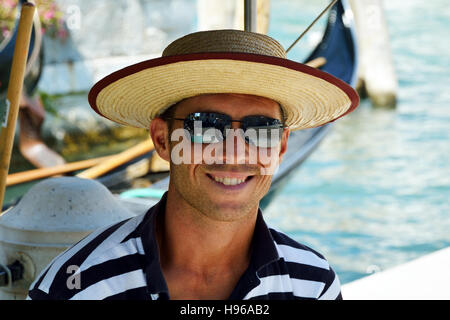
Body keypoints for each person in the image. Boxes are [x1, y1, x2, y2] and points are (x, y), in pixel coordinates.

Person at [27, 29, 359, 300]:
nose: (234, 153)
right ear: (161, 139)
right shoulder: (76, 287)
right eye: (206, 126)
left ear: (282, 145)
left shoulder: (314, 286)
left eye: (261, 130)